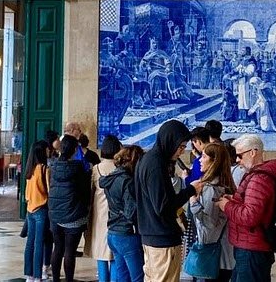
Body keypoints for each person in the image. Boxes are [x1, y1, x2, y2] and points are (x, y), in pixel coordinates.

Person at [214, 134, 276, 281]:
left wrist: (226, 205)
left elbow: (250, 216)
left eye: (239, 155)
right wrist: (233, 201)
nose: (236, 160)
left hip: (252, 248)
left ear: (253, 152)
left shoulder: (259, 179)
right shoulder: (258, 175)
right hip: (251, 245)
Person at [135, 119, 199, 282]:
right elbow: (163, 207)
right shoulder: (156, 164)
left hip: (152, 235)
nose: (182, 152)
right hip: (162, 239)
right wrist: (191, 190)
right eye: (181, 147)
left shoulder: (149, 159)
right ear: (170, 141)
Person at [190, 143, 237, 282]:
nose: (200, 160)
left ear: (213, 161)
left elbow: (210, 223)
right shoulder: (225, 185)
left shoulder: (211, 188)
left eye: (204, 156)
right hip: (224, 254)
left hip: (213, 255)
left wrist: (193, 202)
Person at [48, 135, 91, 282]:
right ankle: (69, 280)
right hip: (73, 215)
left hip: (55, 214)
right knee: (70, 252)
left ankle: (55, 279)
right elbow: (85, 191)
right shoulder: (78, 168)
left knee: (58, 248)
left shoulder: (53, 166)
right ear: (74, 150)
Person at [100, 145, 145, 282]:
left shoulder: (112, 178)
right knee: (138, 277)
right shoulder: (127, 181)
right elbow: (131, 210)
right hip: (127, 234)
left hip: (113, 232)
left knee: (122, 276)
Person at [85, 135, 122, 282]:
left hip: (99, 215)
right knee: (114, 254)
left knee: (100, 252)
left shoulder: (96, 169)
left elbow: (90, 192)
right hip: (116, 215)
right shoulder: (120, 169)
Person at [24, 140, 52, 282]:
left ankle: (29, 275)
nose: (49, 151)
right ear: (42, 151)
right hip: (41, 209)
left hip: (30, 209)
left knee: (30, 242)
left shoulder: (29, 169)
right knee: (39, 242)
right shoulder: (44, 169)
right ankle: (37, 275)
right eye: (47, 149)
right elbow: (49, 190)